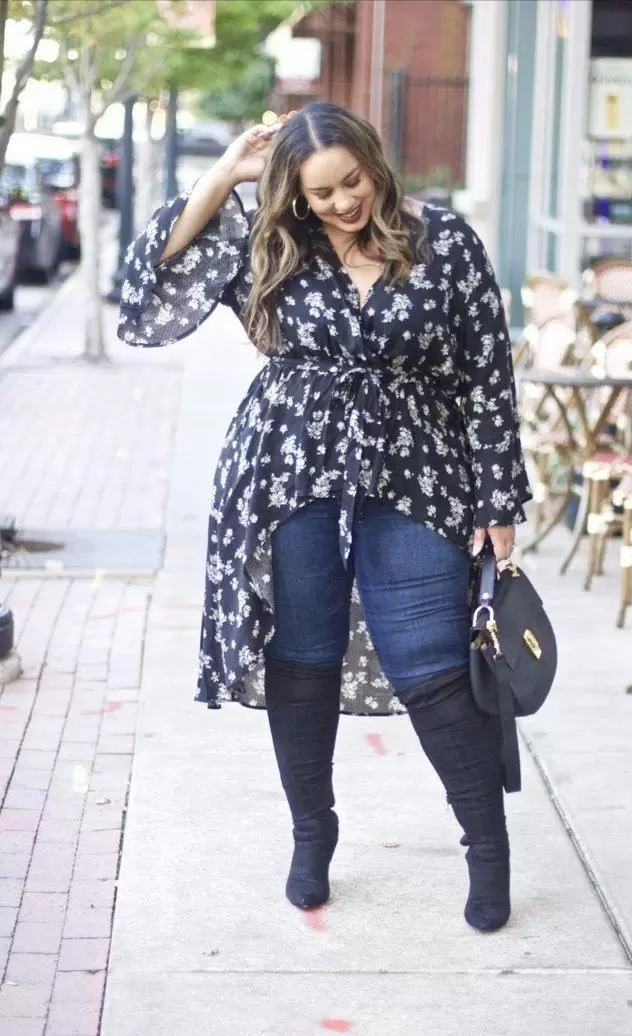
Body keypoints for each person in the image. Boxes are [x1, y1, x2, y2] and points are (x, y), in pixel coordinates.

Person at [119, 102, 532, 932]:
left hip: (417, 469)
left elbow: (487, 374)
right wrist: (228, 173)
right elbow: (142, 290)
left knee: (435, 662)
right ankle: (313, 834)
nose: (343, 203)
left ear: (376, 161)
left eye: (353, 181)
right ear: (294, 193)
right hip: (285, 468)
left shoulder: (445, 241)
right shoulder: (270, 239)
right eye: (320, 193)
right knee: (301, 656)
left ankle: (487, 847)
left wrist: (499, 499)